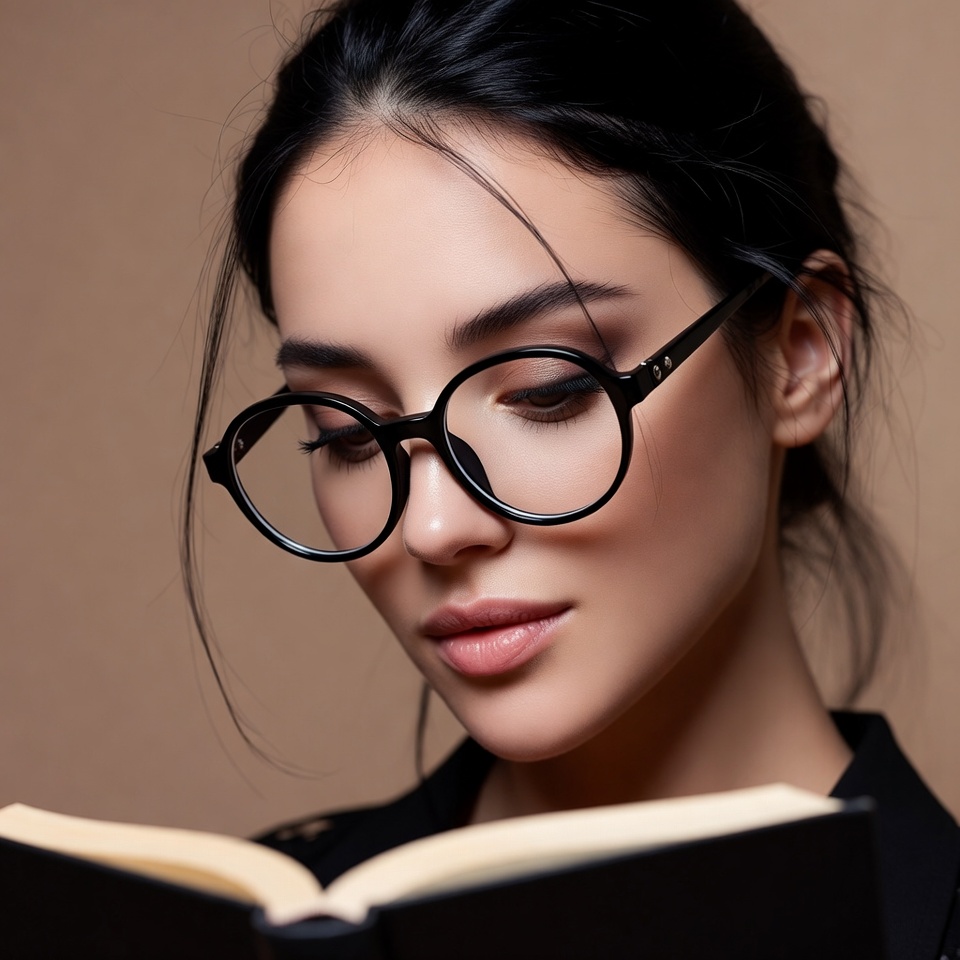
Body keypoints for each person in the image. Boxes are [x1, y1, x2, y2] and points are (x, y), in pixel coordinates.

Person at [184, 1, 960, 955]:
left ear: (800, 355)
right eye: (345, 432)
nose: (430, 526)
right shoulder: (260, 930)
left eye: (550, 390)